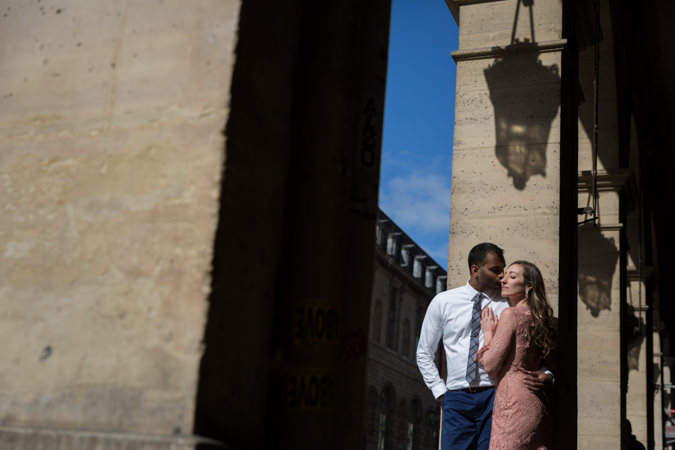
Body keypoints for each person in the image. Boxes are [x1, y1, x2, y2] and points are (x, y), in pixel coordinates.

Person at [416, 243, 551, 450]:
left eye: (504, 270)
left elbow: (532, 346)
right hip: (456, 397)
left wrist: (548, 373)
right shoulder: (443, 302)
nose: (502, 276)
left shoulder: (509, 304)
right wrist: (441, 391)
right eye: (496, 270)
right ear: (475, 270)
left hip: (495, 396)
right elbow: (424, 352)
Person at [476, 260, 556, 450]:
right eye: (505, 275)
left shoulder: (510, 314)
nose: (504, 280)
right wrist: (548, 376)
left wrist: (488, 333)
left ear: (529, 286)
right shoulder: (541, 318)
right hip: (537, 402)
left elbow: (490, 365)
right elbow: (553, 364)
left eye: (513, 277)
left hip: (513, 403)